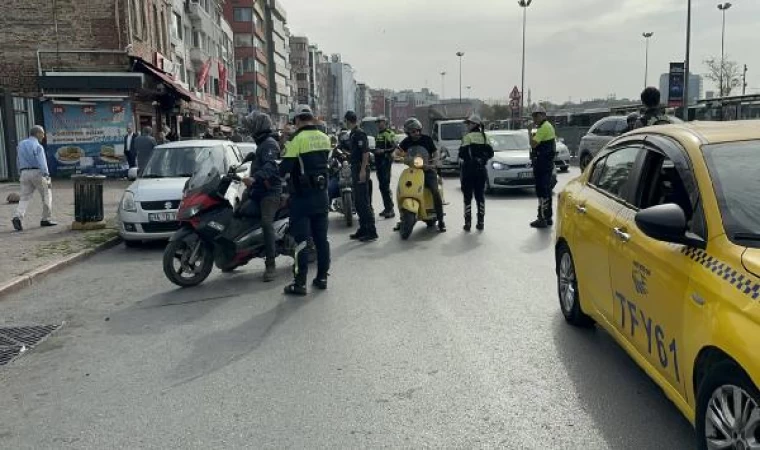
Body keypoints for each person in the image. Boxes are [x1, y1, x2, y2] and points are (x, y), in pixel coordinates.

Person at [279, 105, 331, 296]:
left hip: (301, 199)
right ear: (311, 118)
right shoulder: (325, 138)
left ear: (298, 120)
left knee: (301, 241)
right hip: (322, 196)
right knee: (321, 240)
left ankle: (300, 283)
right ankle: (322, 278)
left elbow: (284, 168)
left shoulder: (297, 139)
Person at [241, 112, 283, 282]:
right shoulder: (262, 144)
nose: (250, 129)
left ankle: (271, 264)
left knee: (266, 223)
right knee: (238, 213)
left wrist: (255, 178)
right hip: (257, 191)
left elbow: (271, 166)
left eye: (252, 126)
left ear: (259, 127)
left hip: (270, 192)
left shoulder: (270, 144)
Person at [395, 117, 446, 232]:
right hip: (412, 171)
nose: (416, 133)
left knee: (435, 190)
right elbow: (397, 152)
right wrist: (395, 156)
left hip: (428, 170)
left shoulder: (427, 139)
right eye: (413, 131)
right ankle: (403, 217)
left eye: (418, 130)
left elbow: (435, 151)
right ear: (408, 132)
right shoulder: (406, 142)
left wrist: (436, 160)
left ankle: (441, 219)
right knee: (401, 189)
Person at [12, 126, 56, 231]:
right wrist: (47, 175)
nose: (44, 136)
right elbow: (42, 162)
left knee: (24, 197)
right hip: (37, 172)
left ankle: (17, 216)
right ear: (37, 134)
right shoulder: (38, 146)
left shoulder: (21, 144)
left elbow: (18, 159)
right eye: (43, 134)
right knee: (46, 195)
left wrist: (20, 172)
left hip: (24, 172)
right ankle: (45, 219)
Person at [344, 111, 378, 242]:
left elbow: (365, 153)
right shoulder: (352, 134)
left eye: (345, 121)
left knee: (363, 202)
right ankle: (363, 228)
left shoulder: (360, 133)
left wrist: (363, 170)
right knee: (357, 202)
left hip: (360, 169)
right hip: (355, 168)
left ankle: (371, 231)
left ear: (348, 120)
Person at [458, 114, 494, 231]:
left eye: (468, 123)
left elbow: (462, 154)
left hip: (468, 170)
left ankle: (467, 223)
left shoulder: (467, 137)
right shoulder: (485, 137)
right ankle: (481, 222)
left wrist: (471, 159)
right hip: (481, 170)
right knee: (480, 196)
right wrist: (482, 159)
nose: (467, 126)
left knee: (467, 197)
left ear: (474, 124)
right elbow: (491, 153)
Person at [529, 107, 556, 229]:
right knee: (546, 190)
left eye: (536, 115)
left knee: (541, 190)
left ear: (543, 115)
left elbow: (533, 143)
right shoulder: (547, 126)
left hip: (542, 164)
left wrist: (530, 132)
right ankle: (548, 217)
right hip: (546, 163)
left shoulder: (544, 127)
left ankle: (542, 218)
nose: (534, 118)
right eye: (533, 116)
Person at [374, 116, 396, 218]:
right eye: (378, 122)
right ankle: (387, 207)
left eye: (381, 122)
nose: (379, 124)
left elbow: (393, 146)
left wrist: (383, 151)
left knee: (385, 186)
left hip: (385, 162)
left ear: (385, 122)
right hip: (378, 162)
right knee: (382, 186)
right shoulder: (378, 134)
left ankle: (390, 209)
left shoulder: (389, 133)